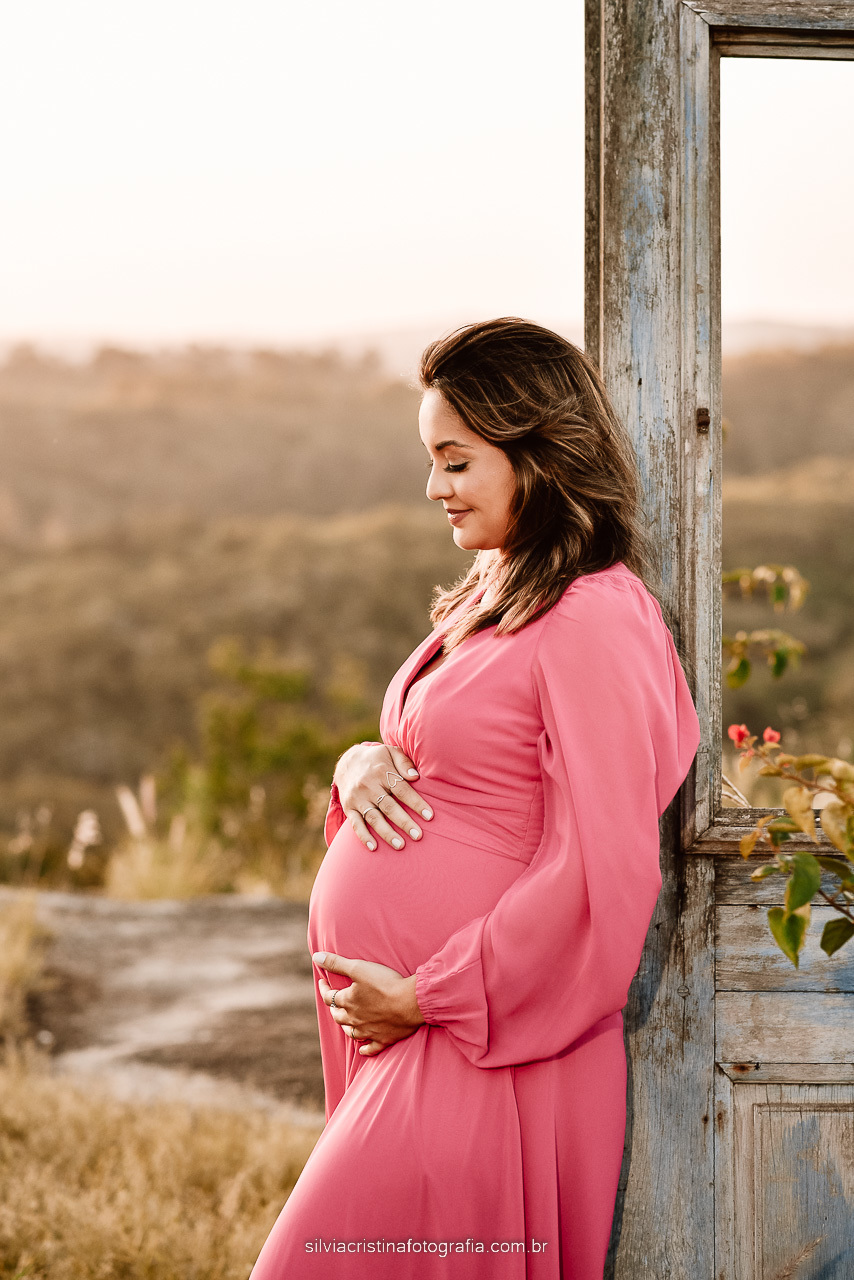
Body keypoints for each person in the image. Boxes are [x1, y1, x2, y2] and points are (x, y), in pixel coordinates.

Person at [250, 318, 700, 1279]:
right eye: (431, 459)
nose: (433, 487)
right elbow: (452, 770)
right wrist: (357, 761)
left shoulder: (592, 617)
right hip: (427, 1035)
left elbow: (602, 871)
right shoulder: (497, 590)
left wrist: (428, 995)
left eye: (456, 461)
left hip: (486, 1043)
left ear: (535, 453)